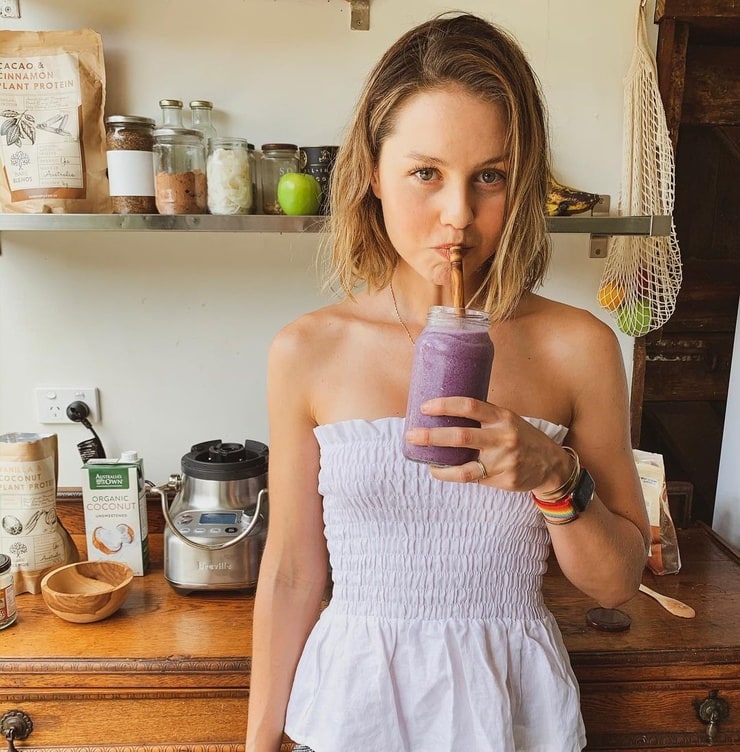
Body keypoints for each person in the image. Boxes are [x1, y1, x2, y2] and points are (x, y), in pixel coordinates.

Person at [246, 12, 650, 752]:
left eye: (489, 176)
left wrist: (554, 475)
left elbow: (618, 581)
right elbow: (293, 573)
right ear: (373, 172)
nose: (459, 215)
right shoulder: (306, 350)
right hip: (352, 712)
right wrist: (258, 746)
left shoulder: (579, 348)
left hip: (511, 713)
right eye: (426, 173)